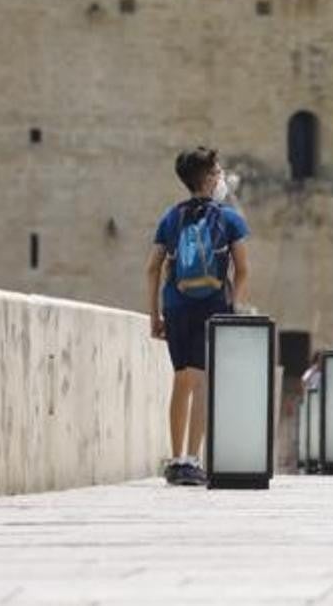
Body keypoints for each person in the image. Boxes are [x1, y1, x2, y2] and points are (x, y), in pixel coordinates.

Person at [145, 146, 250, 486]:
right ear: (208, 179)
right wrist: (233, 308)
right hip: (212, 305)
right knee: (202, 380)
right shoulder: (230, 218)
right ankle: (192, 457)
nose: (221, 177)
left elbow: (152, 268)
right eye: (218, 172)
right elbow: (244, 269)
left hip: (176, 305)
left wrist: (154, 315)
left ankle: (176, 459)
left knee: (181, 378)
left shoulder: (171, 217)